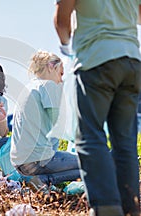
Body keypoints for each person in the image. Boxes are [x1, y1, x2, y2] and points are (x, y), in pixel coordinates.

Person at [54, 1, 141, 215]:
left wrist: (66, 45)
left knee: (90, 136)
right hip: (131, 61)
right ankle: (131, 207)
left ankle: (107, 207)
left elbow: (61, 19)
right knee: (125, 142)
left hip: (96, 59)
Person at [10, 50, 81, 191]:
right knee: (94, 163)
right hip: (37, 160)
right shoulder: (48, 86)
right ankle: (44, 180)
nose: (61, 80)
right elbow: (61, 127)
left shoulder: (29, 87)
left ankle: (38, 181)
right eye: (60, 73)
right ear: (50, 67)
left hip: (20, 162)